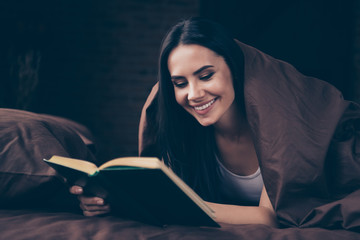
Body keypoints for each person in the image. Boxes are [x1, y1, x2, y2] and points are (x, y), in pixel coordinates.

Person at [70, 17, 360, 229]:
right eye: (180, 83)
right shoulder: (184, 132)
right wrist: (110, 202)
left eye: (206, 75)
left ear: (234, 70)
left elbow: (270, 216)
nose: (194, 94)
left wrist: (172, 205)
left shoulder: (276, 123)